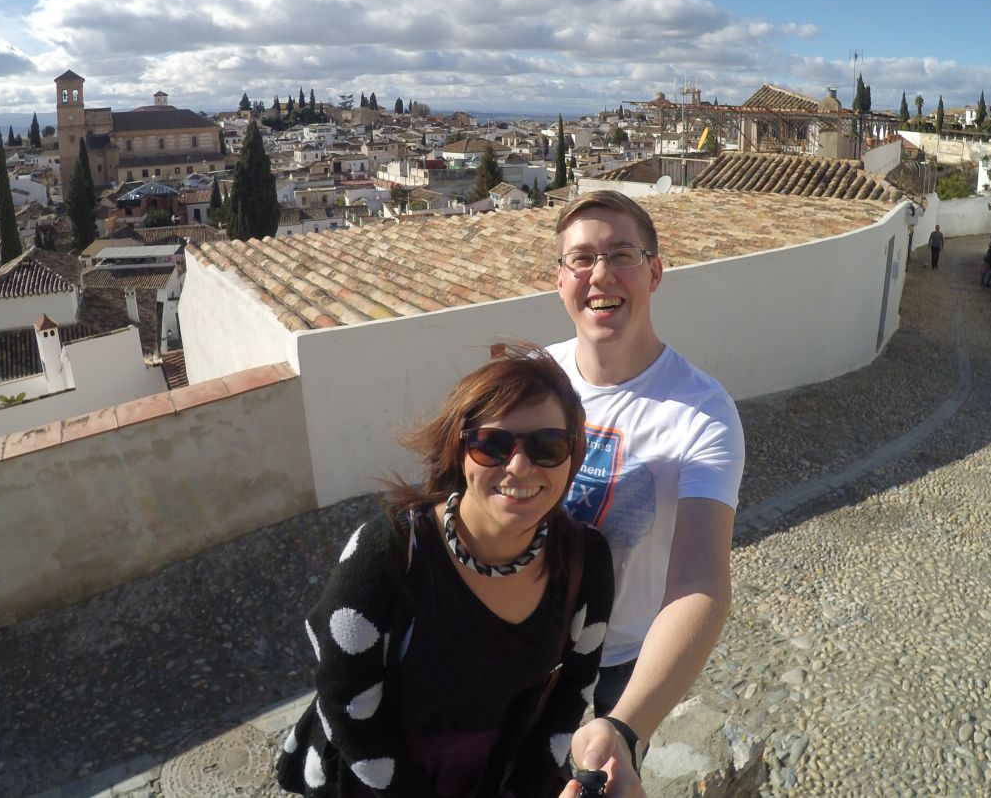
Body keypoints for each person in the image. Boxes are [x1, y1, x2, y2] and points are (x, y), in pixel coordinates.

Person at [278, 347, 615, 798]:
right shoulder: (388, 553)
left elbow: (573, 690)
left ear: (573, 456)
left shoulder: (584, 559)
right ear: (459, 451)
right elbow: (346, 706)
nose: (519, 466)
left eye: (547, 446)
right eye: (492, 444)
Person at [547, 191, 744, 796]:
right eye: (581, 258)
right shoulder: (534, 380)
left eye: (621, 255)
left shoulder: (702, 414)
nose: (600, 274)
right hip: (530, 641)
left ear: (655, 272)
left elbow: (700, 580)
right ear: (560, 280)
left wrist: (625, 729)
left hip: (629, 657)